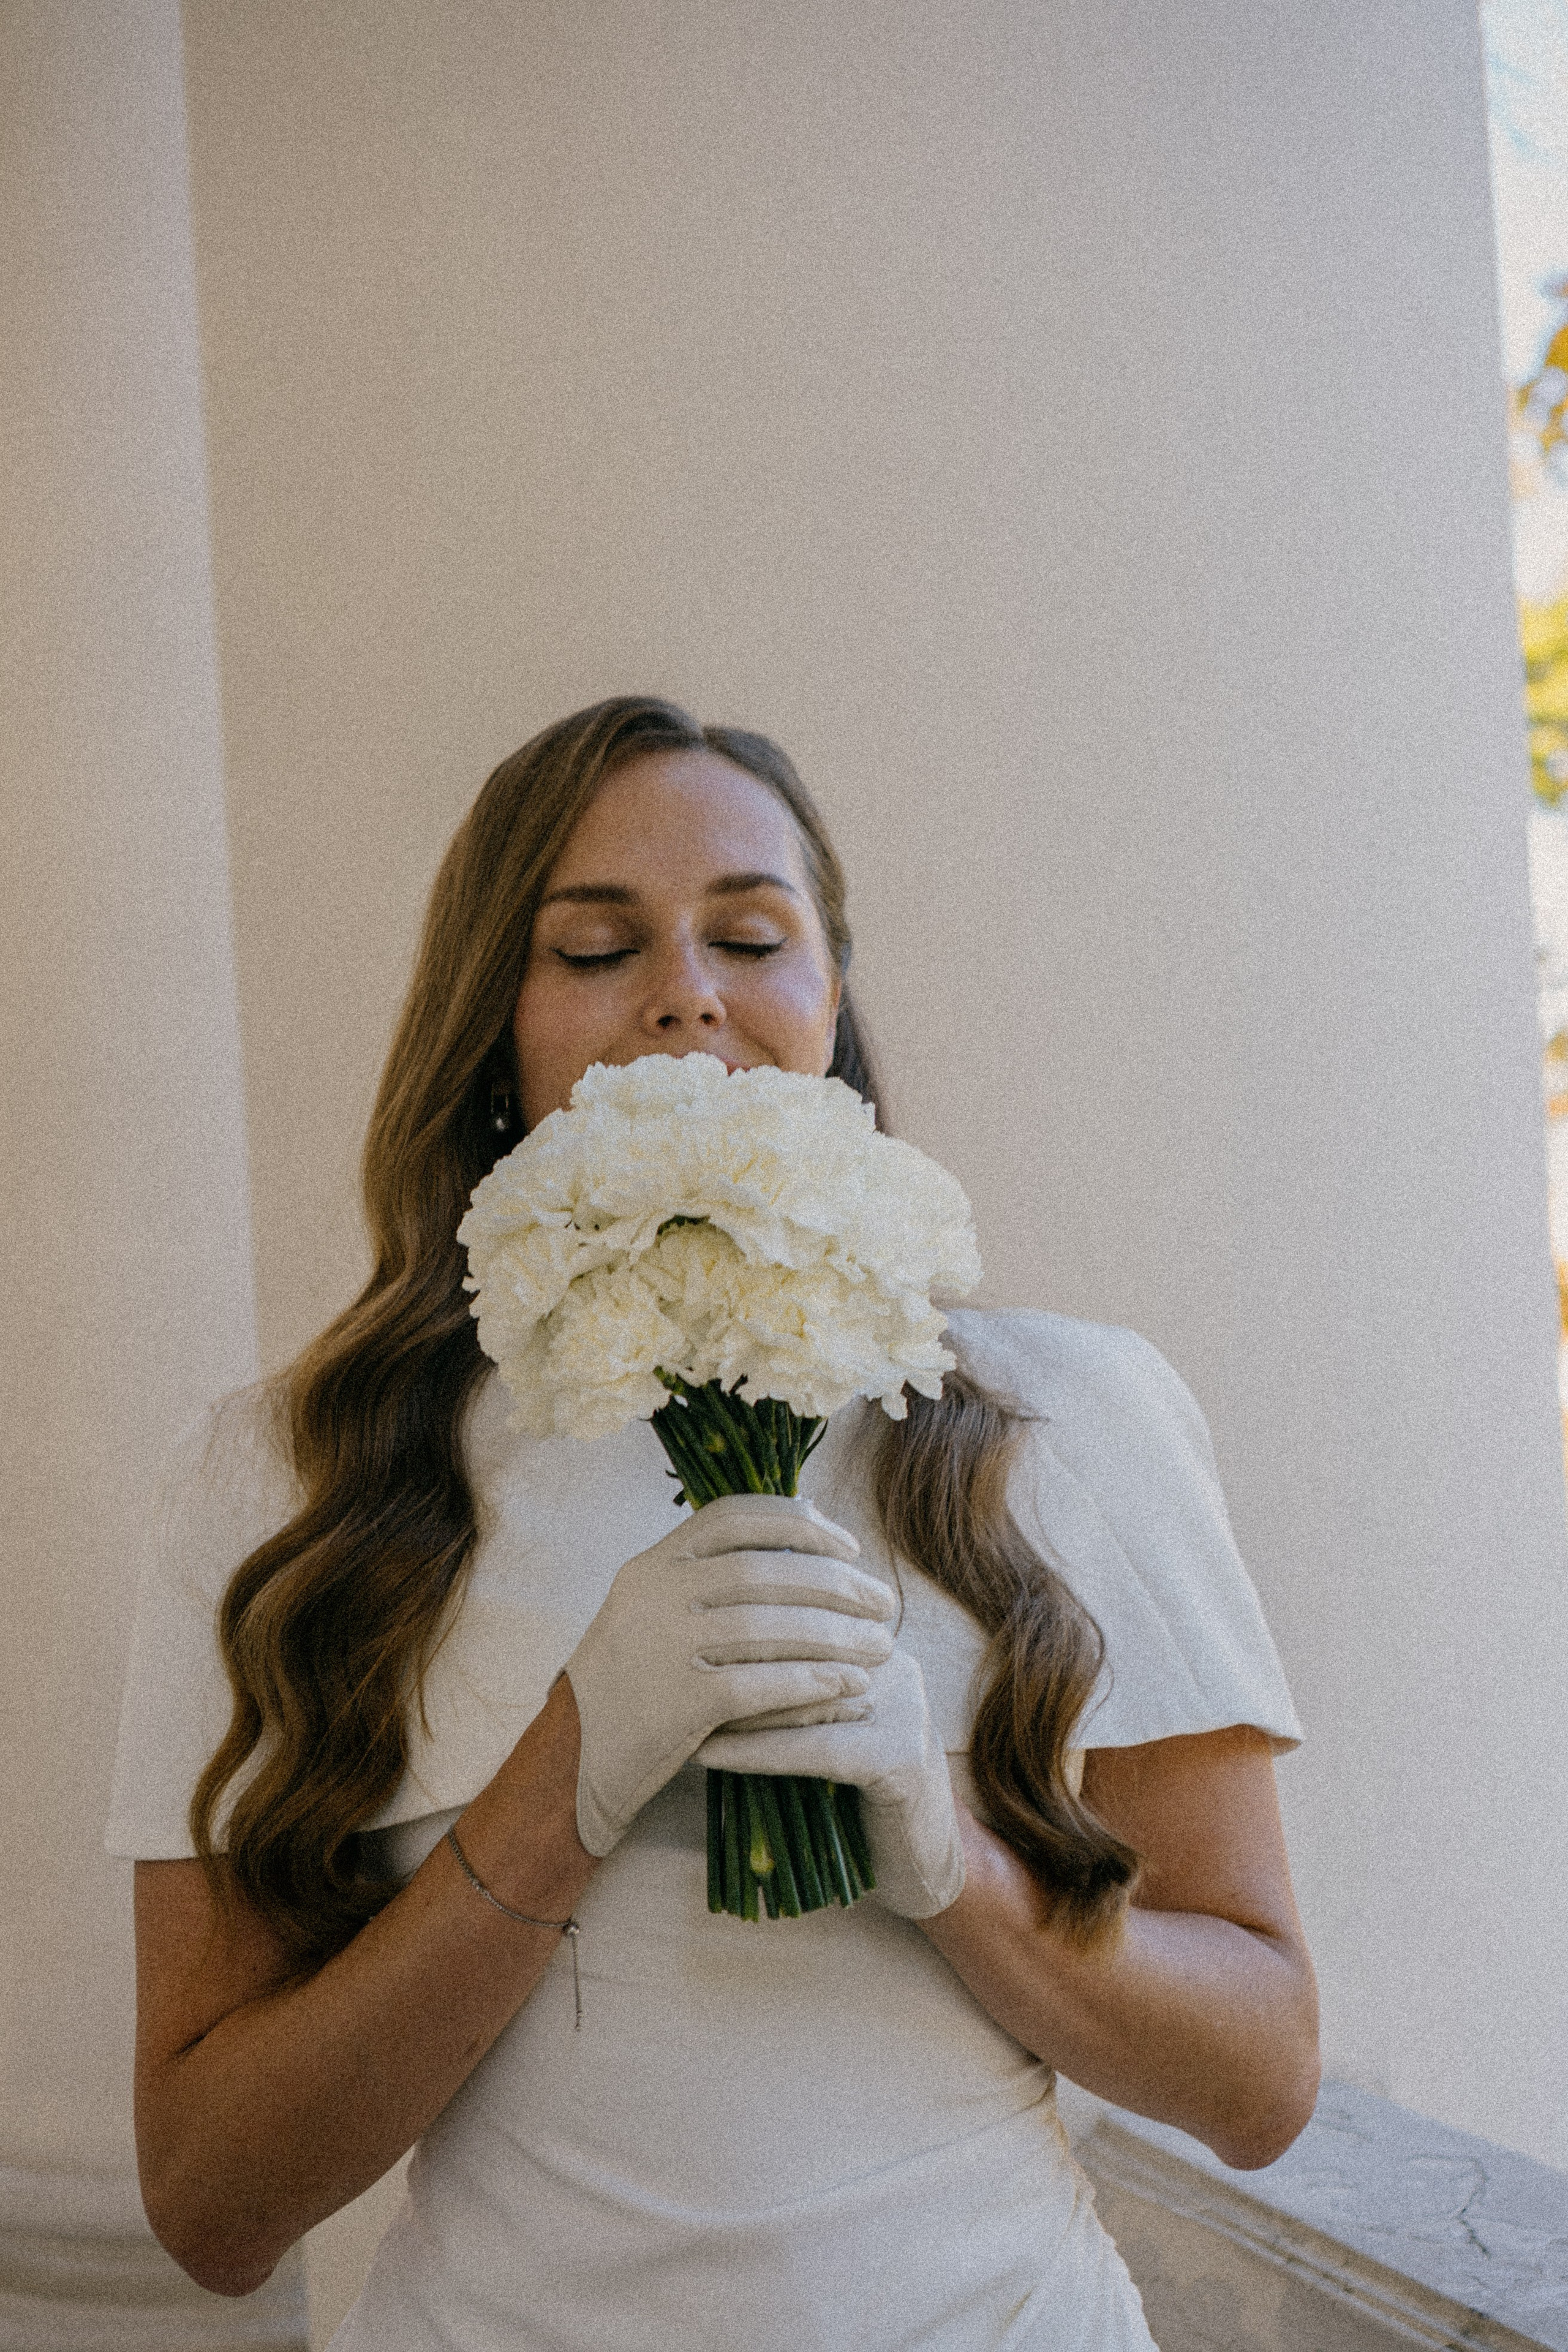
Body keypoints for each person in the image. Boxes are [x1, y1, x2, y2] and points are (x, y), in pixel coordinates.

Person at [109, 695, 1319, 2351]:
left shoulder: (1074, 1420)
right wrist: (565, 1779)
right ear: (490, 1022)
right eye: (595, 949)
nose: (686, 989)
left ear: (831, 998)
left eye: (750, 936)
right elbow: (213, 2205)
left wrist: (947, 1856)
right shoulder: (288, 1477)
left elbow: (1262, 2084)